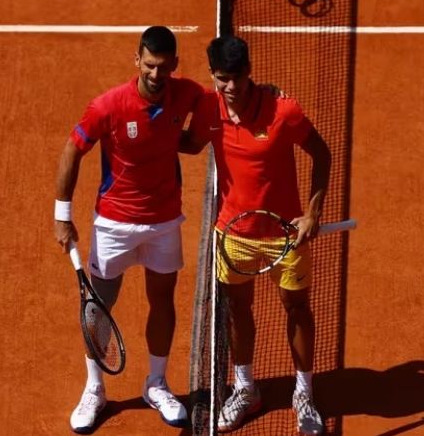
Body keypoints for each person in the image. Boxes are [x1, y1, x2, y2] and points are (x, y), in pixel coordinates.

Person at [180, 35, 332, 434]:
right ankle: (246, 389)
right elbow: (189, 144)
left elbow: (322, 153)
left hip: (286, 235)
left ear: (250, 73)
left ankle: (304, 393)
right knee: (237, 311)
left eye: (236, 77)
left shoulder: (283, 110)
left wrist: (312, 213)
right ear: (214, 76)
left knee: (296, 309)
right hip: (235, 235)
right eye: (221, 78)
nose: (230, 87)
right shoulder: (210, 109)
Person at [53, 26, 201, 433]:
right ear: (137, 60)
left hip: (165, 221)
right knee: (97, 309)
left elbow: (211, 115)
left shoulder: (188, 94)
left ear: (174, 64)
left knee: (162, 301)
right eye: (149, 65)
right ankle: (95, 388)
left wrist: (268, 92)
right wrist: (62, 215)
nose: (156, 74)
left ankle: (157, 383)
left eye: (163, 67)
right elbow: (72, 149)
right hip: (114, 223)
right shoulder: (108, 106)